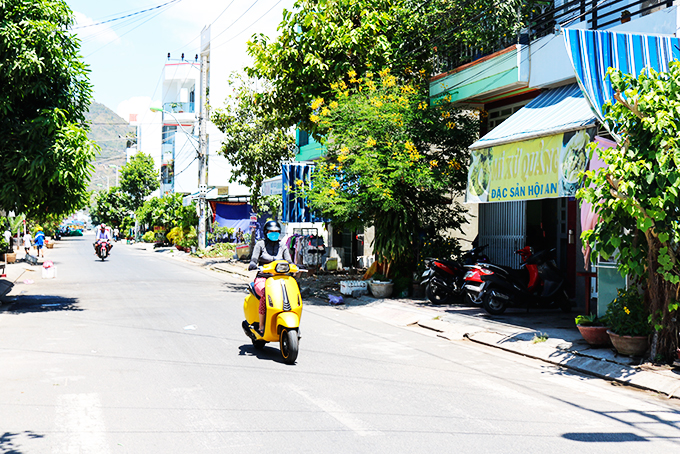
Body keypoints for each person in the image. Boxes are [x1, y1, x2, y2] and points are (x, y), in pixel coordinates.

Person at [248, 221, 292, 335]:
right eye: (271, 231)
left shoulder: (282, 245)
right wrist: (253, 264)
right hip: (263, 278)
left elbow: (289, 261)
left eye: (277, 232)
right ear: (266, 232)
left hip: (279, 279)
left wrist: (295, 266)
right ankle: (262, 326)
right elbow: (254, 259)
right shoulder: (260, 244)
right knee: (265, 294)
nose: (274, 234)